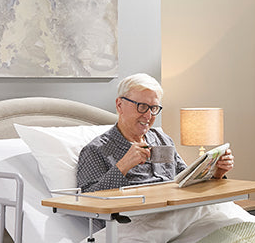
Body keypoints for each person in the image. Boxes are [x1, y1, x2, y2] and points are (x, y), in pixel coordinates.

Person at [76, 73, 234, 192]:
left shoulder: (162, 140)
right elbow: (90, 201)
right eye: (142, 106)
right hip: (135, 220)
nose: (148, 115)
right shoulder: (96, 150)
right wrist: (123, 166)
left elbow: (187, 182)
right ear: (119, 105)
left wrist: (216, 173)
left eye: (154, 108)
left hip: (176, 212)